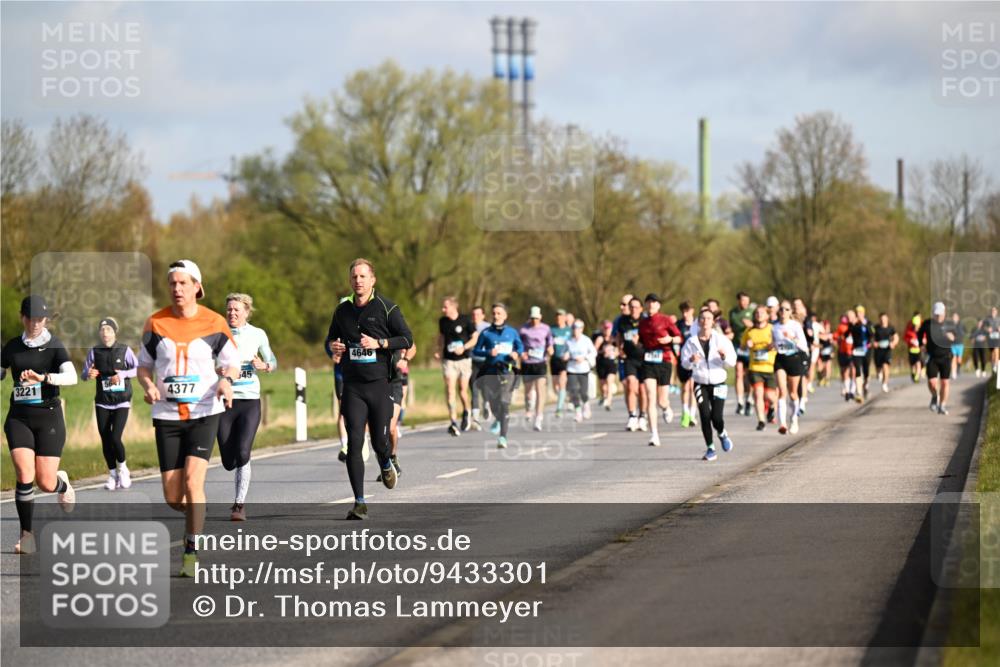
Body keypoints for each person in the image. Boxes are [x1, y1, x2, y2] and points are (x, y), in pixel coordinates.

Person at [136, 260, 240, 576]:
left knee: (195, 482)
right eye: (172, 284)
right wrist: (149, 384)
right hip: (167, 415)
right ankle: (195, 516)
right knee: (172, 496)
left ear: (197, 286)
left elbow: (232, 363)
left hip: (204, 412)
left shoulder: (215, 322)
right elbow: (143, 365)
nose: (177, 289)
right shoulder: (155, 323)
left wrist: (226, 381)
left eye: (183, 283)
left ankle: (191, 550)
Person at [326, 258, 413, 520]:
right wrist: (334, 346)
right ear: (349, 281)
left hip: (380, 385)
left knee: (380, 442)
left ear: (372, 280)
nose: (358, 281)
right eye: (354, 277)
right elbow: (330, 339)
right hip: (353, 386)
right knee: (354, 443)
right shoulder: (342, 311)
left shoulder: (387, 308)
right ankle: (359, 502)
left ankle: (386, 462)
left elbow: (407, 338)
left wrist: (380, 343)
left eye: (363, 276)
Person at [2, 295, 78, 555]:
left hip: (49, 418)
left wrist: (44, 377)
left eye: (40, 319)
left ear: (46, 320)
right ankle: (27, 536)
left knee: (45, 482)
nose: (35, 324)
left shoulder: (55, 347)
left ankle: (62, 484)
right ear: (22, 318)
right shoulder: (12, 347)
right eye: (31, 319)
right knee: (25, 475)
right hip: (19, 418)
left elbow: (71, 377)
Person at [219, 293, 277, 521]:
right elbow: (204, 362)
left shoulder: (257, 334)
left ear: (246, 312)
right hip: (224, 402)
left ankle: (239, 505)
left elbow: (273, 361)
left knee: (243, 452)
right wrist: (216, 371)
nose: (232, 313)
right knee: (227, 461)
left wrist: (264, 365)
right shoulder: (218, 333)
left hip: (249, 401)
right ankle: (236, 469)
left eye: (236, 310)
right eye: (229, 309)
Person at [80, 317, 138, 491]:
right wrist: (88, 374)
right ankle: (112, 475)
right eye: (103, 330)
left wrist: (122, 375)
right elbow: (84, 374)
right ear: (99, 333)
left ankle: (123, 469)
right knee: (105, 439)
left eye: (109, 330)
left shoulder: (124, 350)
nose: (105, 333)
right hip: (103, 402)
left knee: (115, 437)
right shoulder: (94, 351)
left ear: (114, 332)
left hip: (121, 401)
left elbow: (138, 368)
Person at [681, 308, 737, 461]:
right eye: (702, 318)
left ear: (713, 322)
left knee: (716, 417)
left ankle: (722, 433)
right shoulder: (691, 342)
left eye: (708, 318)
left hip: (719, 383)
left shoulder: (722, 340)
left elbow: (732, 361)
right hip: (700, 383)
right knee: (705, 415)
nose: (705, 321)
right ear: (698, 322)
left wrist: (724, 356)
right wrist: (691, 360)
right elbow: (684, 364)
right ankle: (710, 448)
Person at [472, 303, 523, 449]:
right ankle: (499, 419)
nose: (496, 316)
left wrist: (516, 353)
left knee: (504, 402)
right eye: (494, 313)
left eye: (499, 313)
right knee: (494, 404)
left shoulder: (512, 332)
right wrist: (488, 353)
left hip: (507, 371)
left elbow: (520, 347)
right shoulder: (486, 333)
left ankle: (503, 437)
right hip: (491, 371)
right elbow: (476, 350)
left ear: (505, 316)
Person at [638, 293, 682, 447]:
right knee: (651, 397)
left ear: (658, 306)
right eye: (648, 302)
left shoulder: (665, 320)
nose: (651, 305)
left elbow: (679, 337)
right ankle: (654, 434)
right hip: (648, 362)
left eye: (654, 303)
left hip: (664, 361)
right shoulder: (642, 323)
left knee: (662, 401)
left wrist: (670, 339)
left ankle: (667, 407)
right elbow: (641, 341)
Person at [436, 297, 476, 436]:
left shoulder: (465, 320)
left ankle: (467, 411)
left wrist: (464, 348)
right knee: (449, 390)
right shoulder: (443, 321)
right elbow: (441, 337)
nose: (443, 309)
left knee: (462, 390)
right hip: (449, 360)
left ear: (454, 307)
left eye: (445, 307)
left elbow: (475, 337)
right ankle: (453, 422)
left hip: (464, 360)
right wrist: (439, 350)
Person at [377, 342, 416, 483]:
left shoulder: (394, 324)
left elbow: (412, 346)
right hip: (377, 383)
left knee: (391, 428)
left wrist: (405, 360)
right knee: (380, 430)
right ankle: (385, 465)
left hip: (395, 383)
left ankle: (392, 457)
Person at [773, 300, 809, 434]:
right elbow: (773, 343)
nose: (783, 312)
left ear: (790, 312)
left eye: (787, 309)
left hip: (794, 359)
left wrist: (792, 338)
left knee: (793, 393)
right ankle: (782, 424)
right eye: (781, 309)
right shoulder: (774, 326)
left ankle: (794, 419)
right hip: (780, 359)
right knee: (782, 392)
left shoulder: (795, 326)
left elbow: (804, 346)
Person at [741, 305, 778, 432]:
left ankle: (772, 407)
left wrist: (773, 345)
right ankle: (761, 421)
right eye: (757, 313)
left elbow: (780, 343)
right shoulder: (749, 331)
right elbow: (742, 347)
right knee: (758, 394)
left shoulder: (772, 329)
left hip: (770, 367)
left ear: (767, 315)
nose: (759, 315)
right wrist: (747, 345)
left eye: (762, 313)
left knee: (769, 396)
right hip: (755, 367)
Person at [518, 306, 553, 431]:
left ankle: (538, 417)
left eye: (537, 318)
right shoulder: (523, 329)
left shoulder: (546, 328)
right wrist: (521, 353)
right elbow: (518, 344)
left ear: (540, 317)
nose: (534, 321)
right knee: (528, 392)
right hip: (527, 363)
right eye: (532, 318)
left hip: (540, 362)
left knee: (540, 390)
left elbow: (550, 342)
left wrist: (550, 349)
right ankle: (529, 407)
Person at [918, 301, 955, 415]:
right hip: (932, 356)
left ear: (944, 313)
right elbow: (919, 333)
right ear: (933, 313)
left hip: (946, 357)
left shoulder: (950, 324)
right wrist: (921, 345)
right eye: (936, 314)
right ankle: (935, 396)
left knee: (945, 383)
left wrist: (951, 336)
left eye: (940, 314)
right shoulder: (927, 324)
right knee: (932, 383)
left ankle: (942, 405)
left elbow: (957, 337)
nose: (938, 316)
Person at [617, 297, 648, 432]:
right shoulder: (623, 321)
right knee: (630, 385)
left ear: (641, 308)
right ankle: (632, 416)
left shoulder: (645, 321)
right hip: (629, 358)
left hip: (644, 358)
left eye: (636, 307)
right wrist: (620, 349)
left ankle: (642, 416)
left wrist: (641, 341)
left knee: (641, 389)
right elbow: (618, 336)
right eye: (631, 307)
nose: (634, 309)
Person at [728, 292, 755, 416]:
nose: (745, 303)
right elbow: (733, 326)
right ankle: (740, 402)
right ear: (739, 301)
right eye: (743, 300)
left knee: (749, 375)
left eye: (747, 300)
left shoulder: (753, 311)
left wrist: (751, 325)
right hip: (738, 345)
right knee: (739, 373)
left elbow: (758, 326)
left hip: (750, 346)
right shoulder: (733, 312)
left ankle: (749, 399)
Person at [566, 320, 598, 422]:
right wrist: (565, 355)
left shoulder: (586, 340)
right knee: (573, 391)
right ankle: (578, 412)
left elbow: (593, 352)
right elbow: (564, 353)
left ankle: (586, 405)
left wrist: (584, 358)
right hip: (571, 368)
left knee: (583, 392)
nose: (576, 330)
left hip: (583, 369)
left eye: (578, 328)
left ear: (582, 329)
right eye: (574, 328)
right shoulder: (569, 341)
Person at [675, 302, 698, 429]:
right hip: (683, 359)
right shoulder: (678, 325)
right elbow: (674, 339)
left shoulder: (697, 324)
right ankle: (685, 412)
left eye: (687, 311)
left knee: (692, 386)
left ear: (692, 311)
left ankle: (692, 415)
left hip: (696, 359)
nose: (685, 314)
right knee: (685, 387)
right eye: (683, 311)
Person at [469, 305, 491, 427]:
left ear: (483, 315)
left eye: (478, 314)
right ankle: (475, 417)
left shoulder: (488, 328)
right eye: (473, 315)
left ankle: (487, 404)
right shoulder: (469, 326)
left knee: (485, 386)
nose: (475, 317)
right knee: (474, 387)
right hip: (472, 361)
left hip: (486, 361)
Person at [550, 309, 573, 417]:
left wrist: (569, 353)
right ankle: (565, 397)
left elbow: (574, 343)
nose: (559, 319)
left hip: (565, 359)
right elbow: (548, 343)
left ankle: (559, 408)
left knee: (562, 382)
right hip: (554, 359)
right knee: (555, 386)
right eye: (557, 317)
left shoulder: (569, 330)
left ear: (565, 318)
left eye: (561, 316)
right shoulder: (552, 330)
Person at [850, 305, 874, 402]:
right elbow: (848, 333)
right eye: (857, 313)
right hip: (856, 350)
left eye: (860, 313)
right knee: (858, 370)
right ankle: (859, 393)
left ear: (863, 313)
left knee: (866, 370)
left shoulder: (868, 322)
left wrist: (864, 324)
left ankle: (866, 386)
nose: (859, 314)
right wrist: (852, 324)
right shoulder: (853, 324)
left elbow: (872, 333)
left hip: (867, 349)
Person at [594, 320, 619, 409]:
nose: (607, 330)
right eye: (605, 328)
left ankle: (608, 401)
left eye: (608, 328)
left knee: (609, 381)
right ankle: (603, 396)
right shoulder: (600, 339)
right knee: (602, 385)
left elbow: (619, 350)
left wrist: (614, 353)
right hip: (601, 363)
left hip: (612, 364)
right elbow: (594, 350)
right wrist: (602, 351)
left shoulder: (614, 339)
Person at [873, 312, 899, 393]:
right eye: (881, 319)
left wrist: (893, 343)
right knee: (878, 368)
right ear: (879, 319)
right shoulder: (876, 328)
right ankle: (878, 373)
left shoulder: (891, 328)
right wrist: (874, 343)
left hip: (887, 350)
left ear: (887, 319)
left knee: (886, 366)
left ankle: (885, 384)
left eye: (884, 319)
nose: (883, 320)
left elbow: (896, 337)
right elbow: (871, 337)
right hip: (878, 351)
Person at [904, 313, 923, 382]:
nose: (916, 327)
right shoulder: (909, 331)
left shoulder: (922, 331)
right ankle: (913, 373)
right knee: (912, 365)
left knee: (918, 363)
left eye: (917, 326)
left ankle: (917, 377)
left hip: (919, 350)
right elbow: (905, 338)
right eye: (915, 325)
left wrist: (922, 342)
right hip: (911, 350)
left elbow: (925, 338)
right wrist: (910, 341)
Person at [950, 312, 966, 379]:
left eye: (956, 317)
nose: (954, 318)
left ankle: (958, 369)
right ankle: (953, 372)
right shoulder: (950, 325)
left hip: (960, 344)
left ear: (958, 318)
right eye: (953, 317)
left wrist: (961, 335)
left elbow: (965, 332)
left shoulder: (961, 325)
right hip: (952, 344)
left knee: (959, 359)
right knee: (953, 358)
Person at [988, 306, 1000, 375]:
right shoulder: (988, 320)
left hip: (997, 337)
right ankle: (993, 364)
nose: (993, 312)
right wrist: (988, 329)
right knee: (992, 353)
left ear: (997, 312)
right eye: (992, 310)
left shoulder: (999, 319)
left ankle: (996, 365)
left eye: (995, 310)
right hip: (991, 338)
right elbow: (984, 328)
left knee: (996, 350)